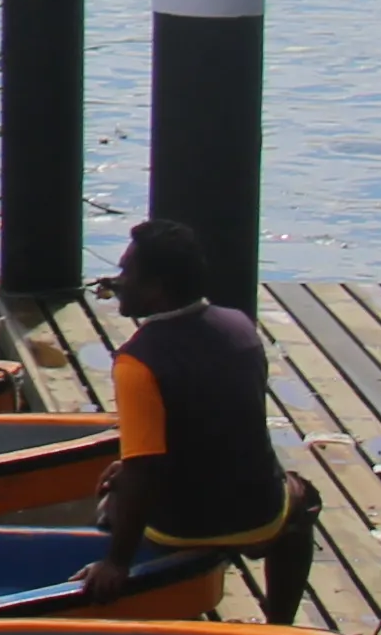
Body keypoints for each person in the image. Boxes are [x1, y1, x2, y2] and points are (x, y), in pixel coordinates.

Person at [82, 216, 299, 601]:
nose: (117, 281)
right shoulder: (241, 327)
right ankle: (281, 623)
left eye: (126, 272)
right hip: (259, 516)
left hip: (182, 526)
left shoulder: (137, 363)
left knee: (115, 492)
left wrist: (116, 562)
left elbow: (144, 471)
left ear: (156, 289)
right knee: (304, 501)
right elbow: (222, 423)